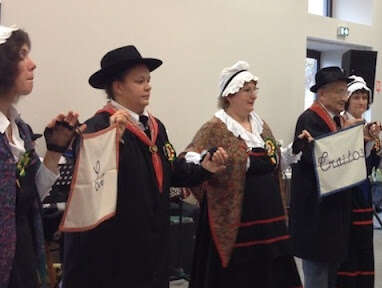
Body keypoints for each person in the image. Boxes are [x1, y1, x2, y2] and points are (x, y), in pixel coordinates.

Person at [62, 45, 228, 288]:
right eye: (139, 81)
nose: (148, 86)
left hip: (155, 244)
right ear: (118, 86)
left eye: (148, 80)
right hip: (117, 249)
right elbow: (91, 185)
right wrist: (111, 141)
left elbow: (170, 171)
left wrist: (204, 168)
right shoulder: (97, 127)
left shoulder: (155, 126)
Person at [186, 61, 304, 288]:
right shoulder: (216, 127)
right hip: (238, 223)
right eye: (246, 90)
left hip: (270, 222)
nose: (253, 96)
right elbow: (189, 158)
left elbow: (274, 160)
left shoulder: (261, 126)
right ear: (229, 95)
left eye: (254, 90)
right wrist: (208, 160)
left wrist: (295, 149)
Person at [0, 25, 80, 288]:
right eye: (22, 55)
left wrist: (55, 150)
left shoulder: (19, 130)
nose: (32, 64)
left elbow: (30, 195)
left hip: (22, 258)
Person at [290, 66, 353, 288]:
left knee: (330, 269)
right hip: (315, 209)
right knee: (317, 271)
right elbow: (317, 158)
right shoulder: (309, 119)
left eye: (345, 91)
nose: (343, 98)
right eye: (338, 91)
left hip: (332, 208)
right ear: (322, 93)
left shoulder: (337, 121)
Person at [337, 75, 382, 288]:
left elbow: (380, 167)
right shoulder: (340, 125)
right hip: (344, 193)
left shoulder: (370, 127)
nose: (361, 102)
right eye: (357, 97)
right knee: (347, 245)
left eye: (364, 98)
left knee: (362, 245)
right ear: (347, 100)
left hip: (363, 192)